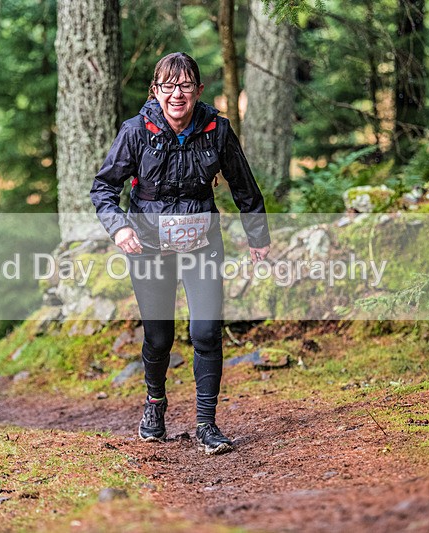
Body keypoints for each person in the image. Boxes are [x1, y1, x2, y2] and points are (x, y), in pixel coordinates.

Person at [90, 52, 270, 455]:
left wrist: (258, 237)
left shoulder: (216, 130)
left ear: (198, 91)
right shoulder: (136, 131)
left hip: (202, 242)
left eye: (185, 85)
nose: (177, 94)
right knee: (159, 337)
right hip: (148, 246)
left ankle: (207, 424)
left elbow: (245, 187)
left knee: (206, 332)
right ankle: (155, 402)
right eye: (168, 86)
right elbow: (103, 189)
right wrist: (119, 228)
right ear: (155, 91)